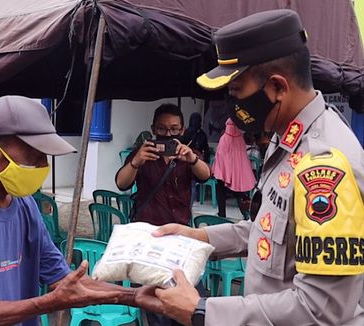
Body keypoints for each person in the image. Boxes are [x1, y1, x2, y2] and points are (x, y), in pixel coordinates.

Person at [147, 9, 364, 325]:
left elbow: (321, 308)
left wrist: (203, 311)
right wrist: (199, 237)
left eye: (236, 93)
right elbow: (272, 229)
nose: (231, 105)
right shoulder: (285, 138)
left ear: (277, 87)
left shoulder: (325, 166)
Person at [0, 96, 160, 326]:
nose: (43, 166)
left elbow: (65, 281)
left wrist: (135, 295)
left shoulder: (23, 204)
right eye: (34, 156)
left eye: (45, 157)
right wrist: (48, 303)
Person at [115, 103, 210, 326]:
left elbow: (206, 176)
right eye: (162, 129)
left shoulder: (188, 154)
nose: (168, 134)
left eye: (174, 129)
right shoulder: (142, 154)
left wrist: (193, 159)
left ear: (183, 129)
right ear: (153, 129)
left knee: (189, 298)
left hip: (181, 240)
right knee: (157, 304)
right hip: (150, 239)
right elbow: (121, 182)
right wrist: (137, 161)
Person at [211, 117, 256, 219]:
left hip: (223, 173)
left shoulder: (224, 139)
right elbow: (243, 158)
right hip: (237, 173)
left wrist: (222, 171)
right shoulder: (240, 140)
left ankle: (222, 214)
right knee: (238, 192)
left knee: (221, 190)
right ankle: (245, 214)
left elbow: (220, 157)